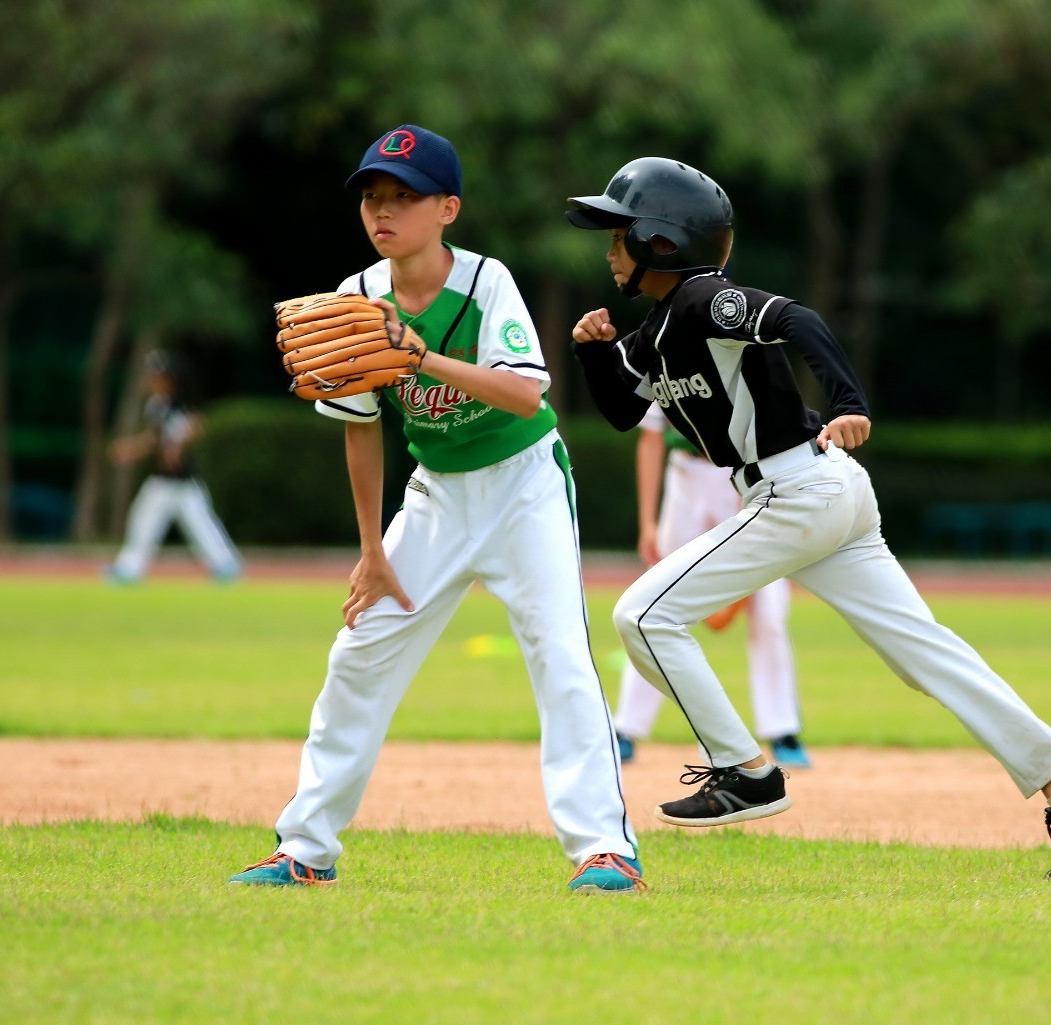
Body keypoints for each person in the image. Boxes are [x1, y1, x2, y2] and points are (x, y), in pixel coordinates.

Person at [566, 157, 1051, 880]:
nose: (608, 249)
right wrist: (594, 353)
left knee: (642, 615)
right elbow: (621, 411)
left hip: (796, 492)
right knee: (922, 653)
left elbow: (796, 318)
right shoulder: (658, 330)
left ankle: (746, 773)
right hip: (823, 495)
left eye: (618, 234)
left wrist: (848, 401)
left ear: (660, 241)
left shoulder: (706, 300)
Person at [229, 125, 642, 893]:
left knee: (559, 656)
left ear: (447, 207)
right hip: (436, 497)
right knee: (359, 655)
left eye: (404, 197)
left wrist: (417, 356)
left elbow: (525, 393)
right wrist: (371, 551)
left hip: (524, 486)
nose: (383, 211)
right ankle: (305, 850)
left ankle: (604, 850)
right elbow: (360, 429)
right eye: (373, 196)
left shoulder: (487, 283)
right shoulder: (357, 296)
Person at [613, 402, 811, 769]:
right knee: (653, 605)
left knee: (768, 610)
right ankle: (626, 728)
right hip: (686, 478)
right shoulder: (662, 352)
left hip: (752, 481)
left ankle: (782, 729)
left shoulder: (747, 349)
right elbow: (652, 439)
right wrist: (647, 522)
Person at [105, 351, 243, 583]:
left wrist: (179, 445)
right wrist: (132, 450)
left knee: (199, 523)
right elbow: (154, 439)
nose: (151, 380)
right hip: (163, 478)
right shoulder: (157, 405)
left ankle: (225, 565)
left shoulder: (180, 403)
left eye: (156, 375)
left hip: (182, 477)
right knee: (148, 519)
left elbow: (196, 425)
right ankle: (130, 567)